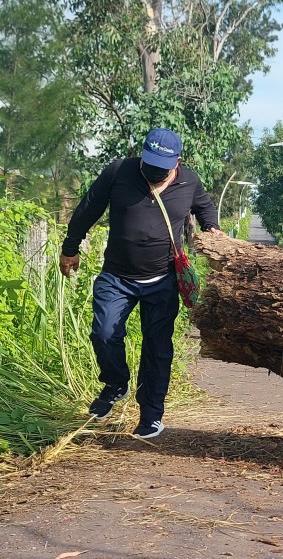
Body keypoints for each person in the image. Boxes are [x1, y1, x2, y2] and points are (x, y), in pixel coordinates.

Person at [59, 128, 222, 439]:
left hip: (163, 280)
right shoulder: (119, 172)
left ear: (178, 161)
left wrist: (212, 230)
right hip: (117, 276)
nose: (153, 171)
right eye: (149, 163)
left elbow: (205, 208)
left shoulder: (189, 181)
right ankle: (116, 382)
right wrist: (70, 248)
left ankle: (151, 414)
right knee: (104, 332)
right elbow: (88, 209)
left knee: (157, 347)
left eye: (161, 166)